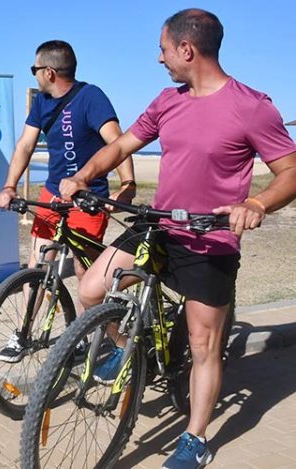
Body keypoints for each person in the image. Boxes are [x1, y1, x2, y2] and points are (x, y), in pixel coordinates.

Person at [59, 9, 296, 469]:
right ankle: (130, 349)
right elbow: (124, 144)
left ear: (187, 50)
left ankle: (195, 438)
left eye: (164, 49)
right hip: (159, 226)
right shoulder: (168, 100)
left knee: (204, 344)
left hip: (211, 241)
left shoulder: (252, 106)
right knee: (90, 289)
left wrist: (258, 204)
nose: (159, 58)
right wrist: (83, 176)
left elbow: (290, 170)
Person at [0, 40, 136, 363]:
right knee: (38, 264)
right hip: (52, 196)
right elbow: (25, 146)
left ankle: (94, 336)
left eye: (34, 70)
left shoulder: (91, 97)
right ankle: (25, 332)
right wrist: (9, 185)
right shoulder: (42, 103)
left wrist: (127, 185)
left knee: (87, 275)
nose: (33, 76)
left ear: (49, 72)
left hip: (88, 200)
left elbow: (119, 142)